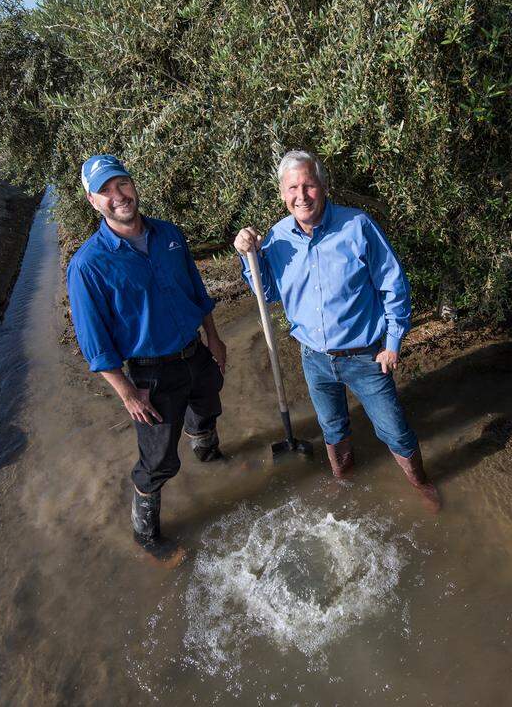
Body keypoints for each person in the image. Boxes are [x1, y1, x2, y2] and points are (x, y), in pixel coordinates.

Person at [233, 150, 440, 510]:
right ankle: (345, 484)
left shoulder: (357, 226)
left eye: (309, 185)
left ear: (323, 187)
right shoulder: (277, 238)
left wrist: (392, 342)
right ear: (283, 194)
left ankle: (421, 484)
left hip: (366, 355)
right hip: (314, 358)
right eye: (293, 187)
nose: (302, 195)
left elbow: (393, 284)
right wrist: (248, 257)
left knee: (394, 430)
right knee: (332, 429)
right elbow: (268, 292)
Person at [67, 154, 228, 555]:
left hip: (196, 354)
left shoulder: (169, 234)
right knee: (157, 463)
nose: (117, 196)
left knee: (207, 410)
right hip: (151, 376)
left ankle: (210, 459)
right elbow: (94, 341)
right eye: (104, 191)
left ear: (133, 184)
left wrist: (214, 338)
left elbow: (196, 290)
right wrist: (127, 393)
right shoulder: (88, 265)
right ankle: (147, 537)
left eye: (120, 183)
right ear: (92, 202)